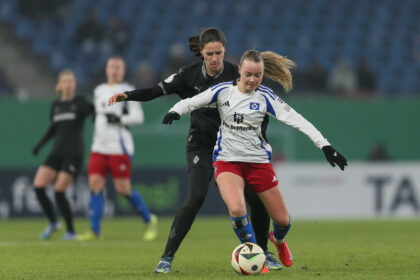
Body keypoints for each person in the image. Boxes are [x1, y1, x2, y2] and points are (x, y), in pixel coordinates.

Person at [108, 28, 281, 273]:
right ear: (201, 52)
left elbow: (258, 106)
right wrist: (127, 95)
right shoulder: (188, 75)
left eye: (218, 53)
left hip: (233, 148)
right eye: (209, 53)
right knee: (197, 196)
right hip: (200, 144)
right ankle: (167, 257)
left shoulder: (236, 74)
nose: (214, 59)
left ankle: (263, 253)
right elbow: (156, 91)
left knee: (255, 198)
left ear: (225, 51)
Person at [162, 50, 348, 267]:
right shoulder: (223, 91)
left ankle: (277, 241)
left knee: (282, 221)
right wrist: (176, 110)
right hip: (227, 161)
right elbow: (191, 102)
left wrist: (325, 146)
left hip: (259, 164)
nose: (252, 80)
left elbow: (299, 120)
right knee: (237, 209)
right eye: (248, 74)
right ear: (239, 70)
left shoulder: (266, 97)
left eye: (257, 75)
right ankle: (257, 257)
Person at [76, 56, 158, 241]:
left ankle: (149, 220)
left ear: (123, 70)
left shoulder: (128, 91)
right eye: (111, 66)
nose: (114, 70)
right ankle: (94, 230)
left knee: (123, 188)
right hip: (99, 146)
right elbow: (99, 115)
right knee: (95, 186)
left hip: (119, 147)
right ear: (106, 70)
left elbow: (138, 117)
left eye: (118, 67)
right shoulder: (99, 90)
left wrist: (119, 120)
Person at [32, 69, 94, 240]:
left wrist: (97, 117)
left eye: (71, 81)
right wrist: (39, 145)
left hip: (74, 154)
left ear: (74, 84)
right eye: (65, 81)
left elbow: (94, 113)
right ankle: (53, 222)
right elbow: (53, 129)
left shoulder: (80, 102)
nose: (68, 84)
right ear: (59, 85)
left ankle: (71, 232)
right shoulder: (56, 106)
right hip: (56, 153)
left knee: (59, 190)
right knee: (38, 186)